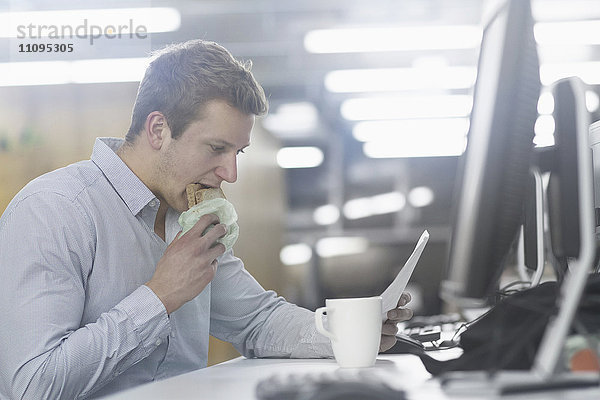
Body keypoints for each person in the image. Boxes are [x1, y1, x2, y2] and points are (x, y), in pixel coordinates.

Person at [0, 39, 413, 399]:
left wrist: (348, 332)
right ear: (159, 129)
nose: (230, 174)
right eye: (216, 148)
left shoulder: (190, 218)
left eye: (238, 153)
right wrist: (159, 296)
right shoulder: (54, 210)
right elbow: (34, 385)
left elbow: (258, 320)